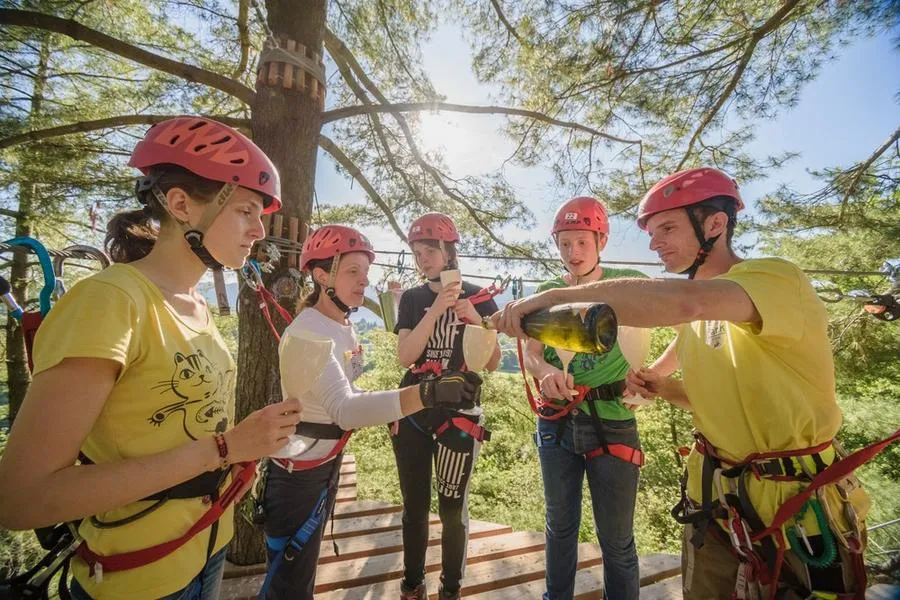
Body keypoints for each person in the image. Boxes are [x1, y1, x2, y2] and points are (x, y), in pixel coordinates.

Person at [491, 167, 871, 600]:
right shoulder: (698, 321)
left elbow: (687, 303)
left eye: (667, 228)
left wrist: (553, 298)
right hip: (716, 497)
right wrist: (662, 386)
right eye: (652, 233)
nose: (654, 243)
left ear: (715, 223)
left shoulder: (775, 279)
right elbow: (724, 399)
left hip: (794, 499)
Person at [0, 116, 304, 600]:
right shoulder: (110, 302)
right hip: (137, 576)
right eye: (246, 210)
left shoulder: (196, 306)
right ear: (181, 205)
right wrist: (226, 449)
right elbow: (22, 498)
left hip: (206, 548)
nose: (259, 229)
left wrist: (231, 460)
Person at [258, 224, 483, 600]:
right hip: (298, 476)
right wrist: (425, 394)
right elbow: (345, 410)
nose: (364, 280)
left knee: (299, 577)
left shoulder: (340, 327)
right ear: (321, 276)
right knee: (290, 586)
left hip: (319, 465)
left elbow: (348, 395)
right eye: (352, 271)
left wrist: (398, 403)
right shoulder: (310, 332)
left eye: (365, 271)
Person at [523, 197, 645, 600]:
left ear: (601, 241)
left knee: (617, 539)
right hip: (557, 420)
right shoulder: (547, 293)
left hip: (612, 420)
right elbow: (531, 353)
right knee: (559, 526)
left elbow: (685, 324)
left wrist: (652, 375)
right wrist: (545, 372)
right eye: (564, 244)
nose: (572, 253)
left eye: (581, 243)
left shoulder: (627, 285)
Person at [392, 213, 501, 600]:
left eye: (430, 251)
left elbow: (492, 362)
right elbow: (406, 356)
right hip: (413, 413)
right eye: (418, 253)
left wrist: (477, 321)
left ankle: (450, 588)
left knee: (453, 509)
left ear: (449, 251)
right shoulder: (412, 299)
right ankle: (412, 584)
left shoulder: (480, 297)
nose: (423, 260)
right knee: (414, 507)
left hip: (459, 417)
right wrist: (437, 308)